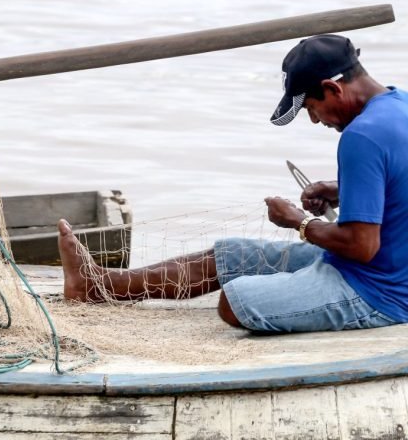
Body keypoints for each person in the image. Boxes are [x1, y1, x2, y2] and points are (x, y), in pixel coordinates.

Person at [57, 33, 408, 333]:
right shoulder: (399, 105)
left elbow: (362, 246)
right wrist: (339, 190)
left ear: (332, 88)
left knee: (236, 300)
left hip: (381, 293)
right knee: (229, 255)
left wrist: (298, 221)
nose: (316, 120)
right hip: (378, 268)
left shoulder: (360, 137)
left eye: (310, 108)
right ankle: (97, 285)